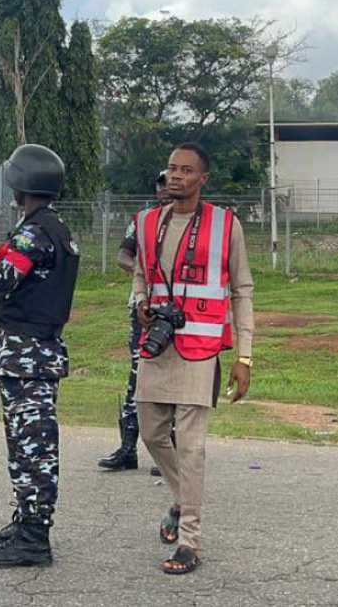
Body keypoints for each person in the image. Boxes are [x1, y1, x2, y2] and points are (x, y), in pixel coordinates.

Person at [131, 142, 254, 575]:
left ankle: (190, 542)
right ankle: (183, 500)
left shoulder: (226, 225)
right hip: (159, 346)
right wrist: (141, 304)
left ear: (203, 179)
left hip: (202, 349)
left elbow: (242, 290)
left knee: (193, 447)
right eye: (171, 168)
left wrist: (245, 356)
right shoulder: (147, 222)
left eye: (186, 170)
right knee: (150, 431)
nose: (176, 176)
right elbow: (141, 276)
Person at [0, 144, 80, 569]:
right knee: (27, 444)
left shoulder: (31, 232)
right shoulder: (54, 228)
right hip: (36, 353)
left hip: (26, 355)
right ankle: (25, 523)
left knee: (33, 447)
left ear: (20, 186)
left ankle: (34, 539)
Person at [98, 169, 171, 473]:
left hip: (176, 309)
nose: (167, 188)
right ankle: (128, 448)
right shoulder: (142, 220)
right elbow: (122, 257)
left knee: (173, 377)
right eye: (162, 183)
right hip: (143, 305)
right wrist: (144, 271)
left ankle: (168, 450)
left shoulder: (192, 222)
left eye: (172, 182)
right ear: (156, 189)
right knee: (137, 375)